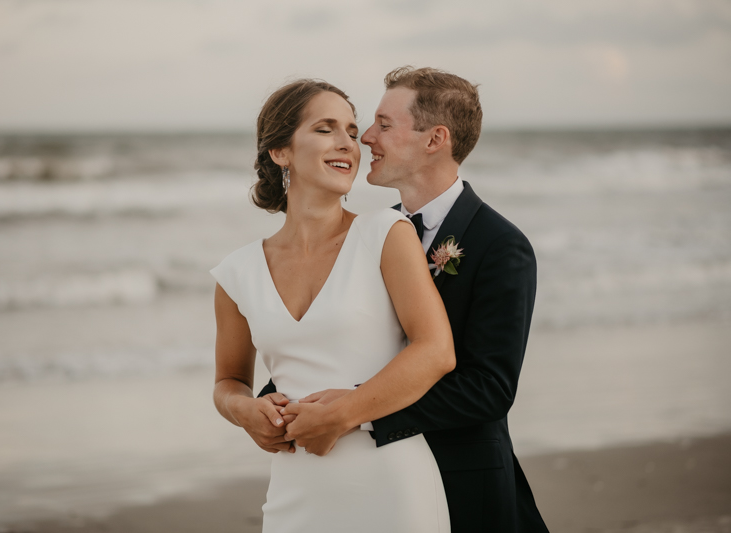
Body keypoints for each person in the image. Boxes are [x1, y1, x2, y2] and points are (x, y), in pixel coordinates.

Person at [260, 67, 550, 532]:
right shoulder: (367, 235)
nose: (366, 138)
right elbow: (337, 339)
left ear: (435, 139)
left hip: (459, 481)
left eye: (383, 124)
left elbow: (489, 389)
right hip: (367, 485)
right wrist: (276, 405)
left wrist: (355, 413)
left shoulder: (500, 245)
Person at [210, 79, 455, 532]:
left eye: (351, 129)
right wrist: (244, 411)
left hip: (393, 488)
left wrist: (343, 414)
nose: (349, 143)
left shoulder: (386, 233)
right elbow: (229, 381)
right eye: (325, 129)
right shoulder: (237, 273)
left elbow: (436, 350)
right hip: (295, 495)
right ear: (280, 152)